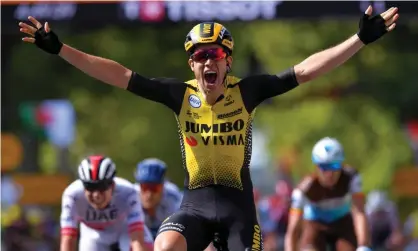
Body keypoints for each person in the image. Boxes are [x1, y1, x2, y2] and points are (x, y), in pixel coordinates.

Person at [19, 5, 399, 250]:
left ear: (228, 61)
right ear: (192, 65)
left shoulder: (248, 91)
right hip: (194, 206)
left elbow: (307, 69)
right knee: (164, 248)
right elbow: (117, 74)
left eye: (215, 54)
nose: (207, 62)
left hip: (238, 210)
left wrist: (359, 40)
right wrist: (61, 48)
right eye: (199, 56)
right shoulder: (178, 95)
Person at [284, 137, 370, 251]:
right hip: (315, 225)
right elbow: (293, 230)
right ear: (316, 167)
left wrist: (363, 245)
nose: (329, 174)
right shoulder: (303, 189)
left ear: (342, 165)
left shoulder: (351, 177)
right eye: (324, 167)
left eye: (334, 166)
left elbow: (359, 212)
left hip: (343, 224)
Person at [60, 155, 153, 251]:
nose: (96, 195)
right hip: (93, 234)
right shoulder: (72, 196)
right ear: (83, 187)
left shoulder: (128, 193)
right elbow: (68, 238)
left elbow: (137, 238)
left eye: (102, 187)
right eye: (90, 187)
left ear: (112, 186)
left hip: (124, 230)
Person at [133, 158, 183, 239]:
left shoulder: (173, 198)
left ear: (163, 186)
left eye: (154, 188)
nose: (149, 194)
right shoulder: (131, 197)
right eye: (144, 187)